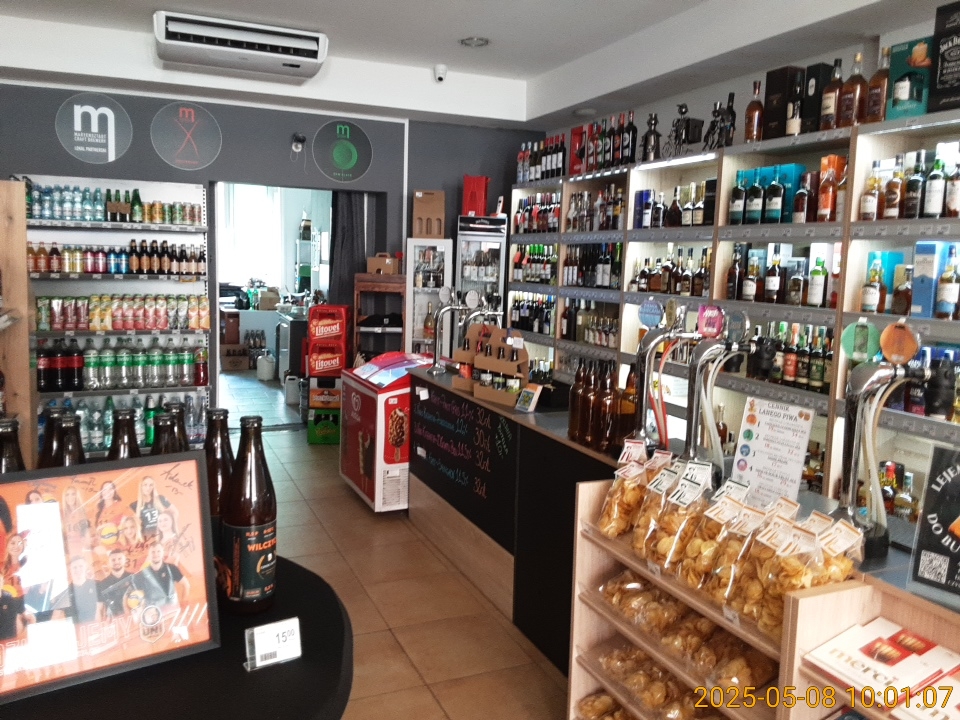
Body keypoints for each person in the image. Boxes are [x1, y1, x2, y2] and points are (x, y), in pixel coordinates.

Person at [133, 540, 188, 609]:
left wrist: (184, 602)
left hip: (171, 611)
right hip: (153, 613)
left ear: (163, 552)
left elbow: (186, 584)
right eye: (153, 552)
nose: (155, 554)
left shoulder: (172, 568)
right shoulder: (143, 574)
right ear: (149, 554)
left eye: (158, 551)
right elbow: (132, 593)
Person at [130, 476, 176, 540]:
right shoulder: (135, 505)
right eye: (145, 485)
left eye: (151, 485)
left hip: (162, 537)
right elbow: (133, 525)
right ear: (141, 486)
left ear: (153, 487)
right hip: (147, 538)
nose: (148, 488)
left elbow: (175, 512)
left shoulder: (160, 499)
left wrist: (172, 527)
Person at [97, 548, 135, 619]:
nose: (116, 562)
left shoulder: (133, 578)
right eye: (113, 560)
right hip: (114, 620)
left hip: (134, 617)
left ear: (125, 560)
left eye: (119, 559)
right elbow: (99, 609)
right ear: (109, 562)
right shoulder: (103, 584)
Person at [67, 555, 101, 623]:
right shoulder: (67, 592)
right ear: (70, 569)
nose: (78, 569)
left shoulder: (96, 585)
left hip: (95, 624)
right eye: (74, 567)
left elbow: (100, 608)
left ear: (86, 567)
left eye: (81, 566)